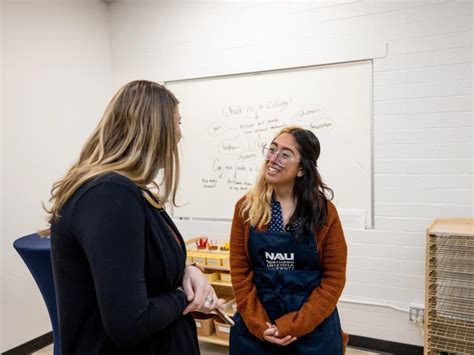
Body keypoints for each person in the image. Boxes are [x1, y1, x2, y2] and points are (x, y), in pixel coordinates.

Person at [40, 80, 223, 355]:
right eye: (177, 122)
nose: (179, 134)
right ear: (155, 129)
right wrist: (185, 296)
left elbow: (144, 268)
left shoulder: (124, 192)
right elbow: (131, 322)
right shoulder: (109, 195)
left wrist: (189, 271)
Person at [229, 126, 349, 354]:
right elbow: (240, 274)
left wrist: (292, 326)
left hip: (311, 330)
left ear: (302, 169)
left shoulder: (324, 213)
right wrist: (259, 325)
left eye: (285, 154)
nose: (273, 159)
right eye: (272, 150)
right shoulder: (246, 209)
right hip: (257, 329)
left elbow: (333, 279)